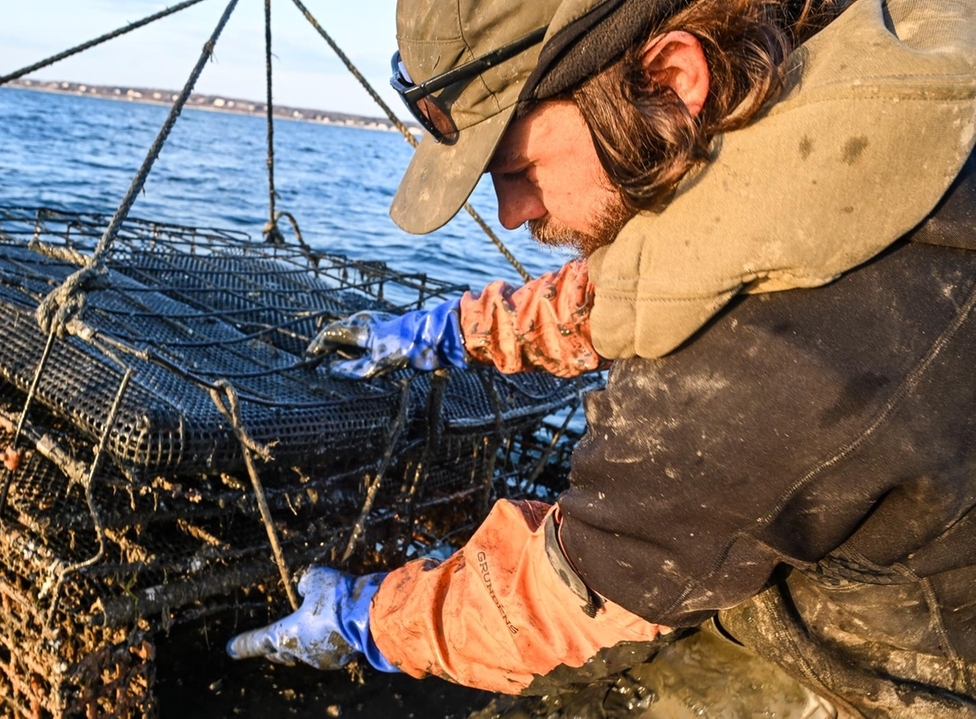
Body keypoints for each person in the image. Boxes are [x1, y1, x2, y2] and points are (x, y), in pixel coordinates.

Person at [228, 0, 976, 716]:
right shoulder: (856, 79)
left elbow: (553, 595)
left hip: (912, 669)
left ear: (671, 78)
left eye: (519, 169)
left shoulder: (761, 370)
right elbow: (661, 275)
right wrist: (448, 332)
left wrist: (364, 620)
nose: (513, 215)